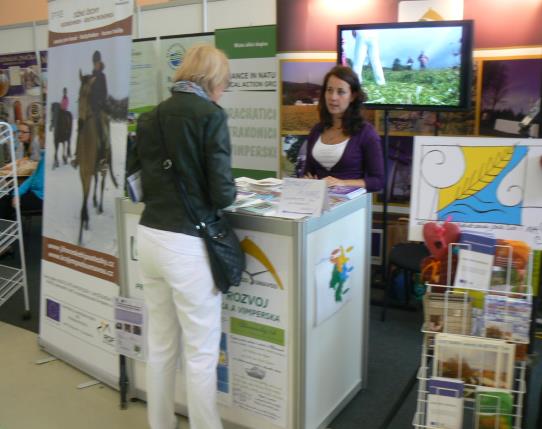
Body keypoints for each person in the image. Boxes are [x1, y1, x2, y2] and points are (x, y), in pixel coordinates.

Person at [127, 44, 235, 429]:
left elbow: (133, 183)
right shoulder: (211, 116)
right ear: (210, 80)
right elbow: (223, 193)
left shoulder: (149, 117)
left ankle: (161, 424)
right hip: (189, 245)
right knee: (201, 353)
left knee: (160, 345)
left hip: (151, 237)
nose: (222, 91)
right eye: (222, 84)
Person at [302, 65, 384, 193]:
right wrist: (306, 180)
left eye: (340, 92)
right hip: (318, 205)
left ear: (352, 96)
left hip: (351, 208)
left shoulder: (366, 133)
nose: (333, 97)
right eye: (329, 90)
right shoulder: (316, 130)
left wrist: (342, 183)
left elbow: (378, 181)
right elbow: (307, 173)